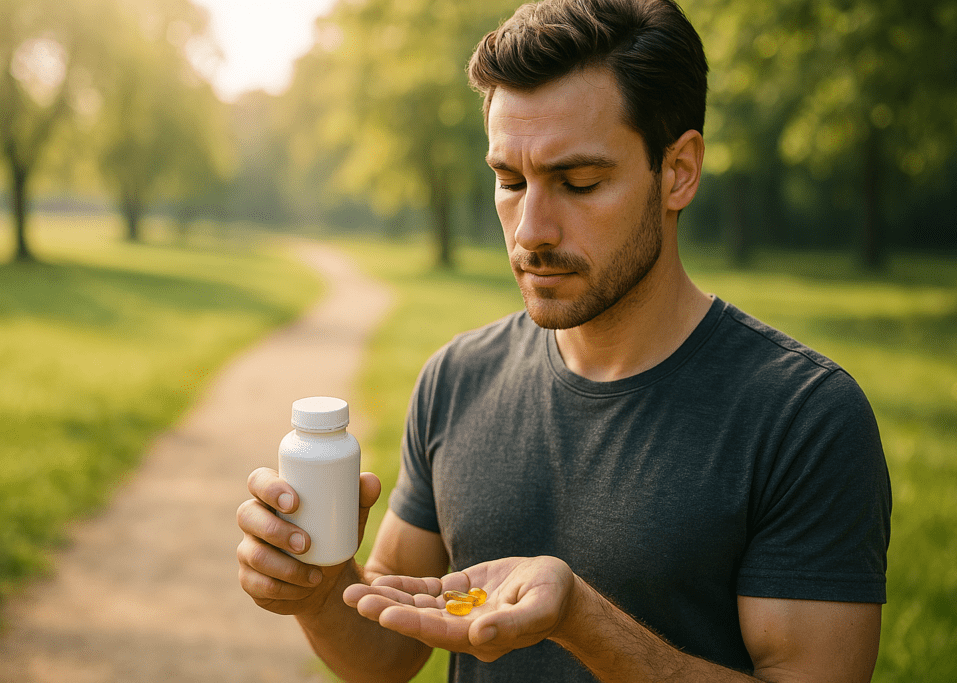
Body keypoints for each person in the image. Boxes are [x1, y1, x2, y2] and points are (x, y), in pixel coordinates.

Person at [236, 0, 892, 681]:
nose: (530, 231)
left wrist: (584, 621)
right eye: (510, 181)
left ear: (679, 171)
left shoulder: (805, 418)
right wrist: (318, 593)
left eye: (579, 182)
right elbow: (389, 651)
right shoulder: (456, 378)